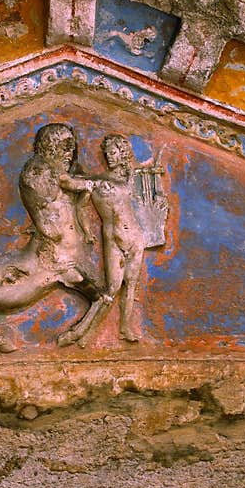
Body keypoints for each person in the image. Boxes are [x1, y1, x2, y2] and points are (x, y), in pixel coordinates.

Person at [59, 133, 145, 343]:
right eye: (107, 155)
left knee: (131, 284)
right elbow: (79, 205)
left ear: (123, 154)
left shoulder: (129, 178)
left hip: (135, 237)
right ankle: (83, 332)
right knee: (111, 289)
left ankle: (125, 328)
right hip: (114, 238)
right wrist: (87, 231)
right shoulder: (96, 183)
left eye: (114, 153)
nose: (110, 158)